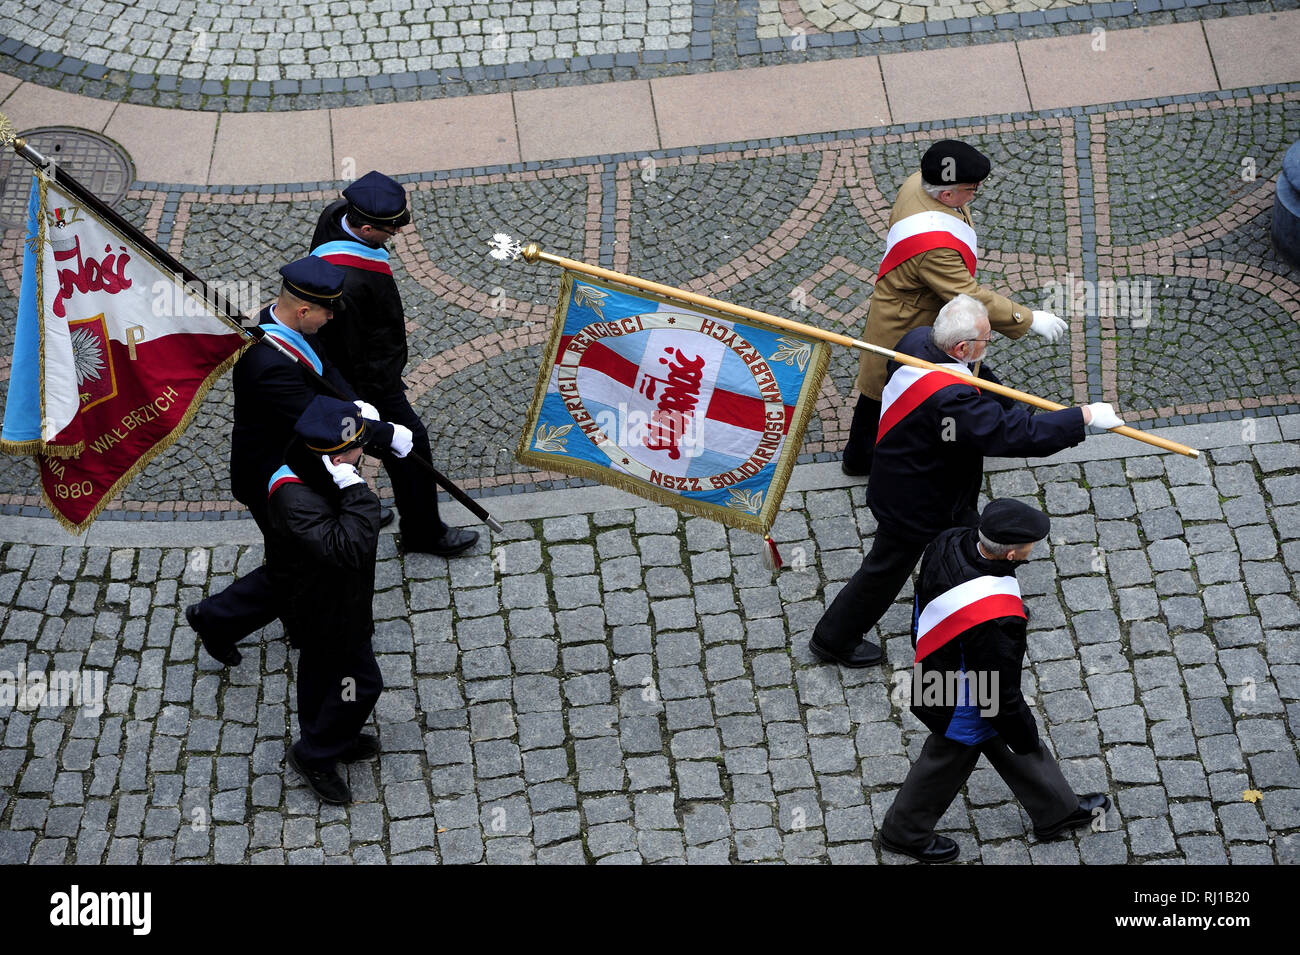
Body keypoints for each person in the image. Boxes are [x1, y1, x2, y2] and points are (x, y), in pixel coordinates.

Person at [809, 293, 1123, 667]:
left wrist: (1008, 403)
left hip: (936, 484)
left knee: (970, 539)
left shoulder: (920, 339)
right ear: (960, 346)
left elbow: (977, 379)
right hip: (918, 499)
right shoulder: (951, 402)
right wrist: (1082, 417)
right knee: (886, 570)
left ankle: (984, 601)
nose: (987, 347)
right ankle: (834, 638)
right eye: (985, 341)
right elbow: (1010, 434)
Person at [185, 257, 411, 667]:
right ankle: (216, 618)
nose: (329, 320)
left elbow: (324, 367)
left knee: (299, 560)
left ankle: (300, 623)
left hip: (303, 466)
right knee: (296, 567)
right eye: (326, 313)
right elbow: (316, 418)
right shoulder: (267, 362)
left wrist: (352, 402)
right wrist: (386, 435)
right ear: (303, 309)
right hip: (275, 478)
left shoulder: (284, 325)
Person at [878, 498, 1111, 863]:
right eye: (1029, 546)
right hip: (960, 689)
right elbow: (998, 692)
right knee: (955, 751)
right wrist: (1025, 731)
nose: (1033, 548)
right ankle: (903, 832)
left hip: (938, 656)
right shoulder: (998, 624)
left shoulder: (951, 539)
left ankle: (1056, 810)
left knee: (1001, 736)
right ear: (1011, 556)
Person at [842, 139, 1069, 477]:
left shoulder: (920, 183)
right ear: (946, 195)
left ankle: (1004, 410)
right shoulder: (934, 248)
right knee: (881, 392)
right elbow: (968, 296)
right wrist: (1028, 318)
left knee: (967, 368)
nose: (975, 193)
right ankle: (859, 460)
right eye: (971, 189)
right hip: (908, 324)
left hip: (918, 312)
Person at [309, 170, 478, 557]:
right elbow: (354, 350)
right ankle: (423, 532)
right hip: (367, 379)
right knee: (410, 446)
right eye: (390, 231)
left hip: (357, 367)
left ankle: (344, 504)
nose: (395, 236)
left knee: (333, 440)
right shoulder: (348, 284)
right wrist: (377, 394)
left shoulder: (337, 214)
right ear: (366, 228)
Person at [268, 396, 386, 805]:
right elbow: (350, 547)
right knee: (362, 683)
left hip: (332, 599)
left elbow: (361, 434)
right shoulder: (296, 500)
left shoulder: (310, 458)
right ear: (337, 459)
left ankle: (334, 736)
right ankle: (315, 754)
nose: (362, 454)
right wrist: (358, 493)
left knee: (321, 676)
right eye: (356, 451)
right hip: (323, 608)